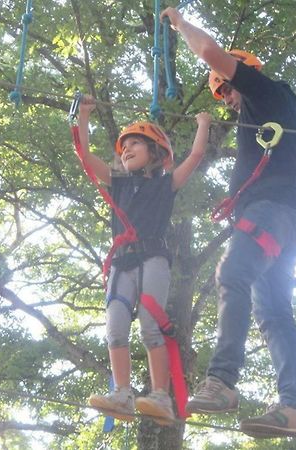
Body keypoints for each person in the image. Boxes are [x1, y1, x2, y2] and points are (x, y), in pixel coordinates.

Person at [160, 7, 296, 437]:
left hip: (270, 212)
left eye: (227, 86)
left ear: (244, 71)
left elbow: (208, 50)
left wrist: (179, 23)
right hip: (287, 222)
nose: (226, 97)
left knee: (233, 272)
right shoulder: (279, 110)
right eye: (220, 94)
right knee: (274, 312)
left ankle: (222, 381)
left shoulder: (263, 89)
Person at [77, 95, 212, 425]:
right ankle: (122, 394)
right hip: (122, 262)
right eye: (124, 147)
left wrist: (203, 124)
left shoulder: (166, 185)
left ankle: (160, 397)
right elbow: (83, 155)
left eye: (135, 144)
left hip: (152, 257)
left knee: (151, 327)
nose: (127, 150)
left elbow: (195, 155)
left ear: (156, 153)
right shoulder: (118, 183)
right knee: (115, 329)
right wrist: (82, 116)